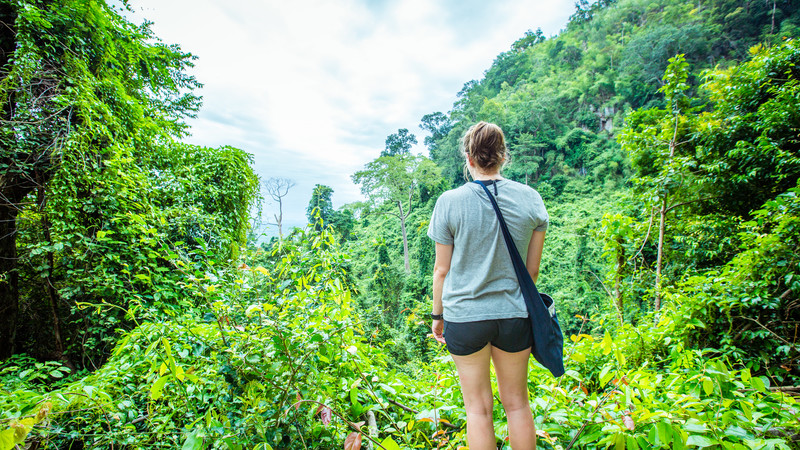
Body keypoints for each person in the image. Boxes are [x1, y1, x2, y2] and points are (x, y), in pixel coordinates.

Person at [427, 121, 548, 450]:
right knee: (518, 405)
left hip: (465, 318)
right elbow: (531, 270)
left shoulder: (449, 202)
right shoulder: (531, 199)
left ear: (469, 158)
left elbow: (441, 270)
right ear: (503, 157)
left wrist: (438, 317)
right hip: (513, 314)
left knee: (478, 411)